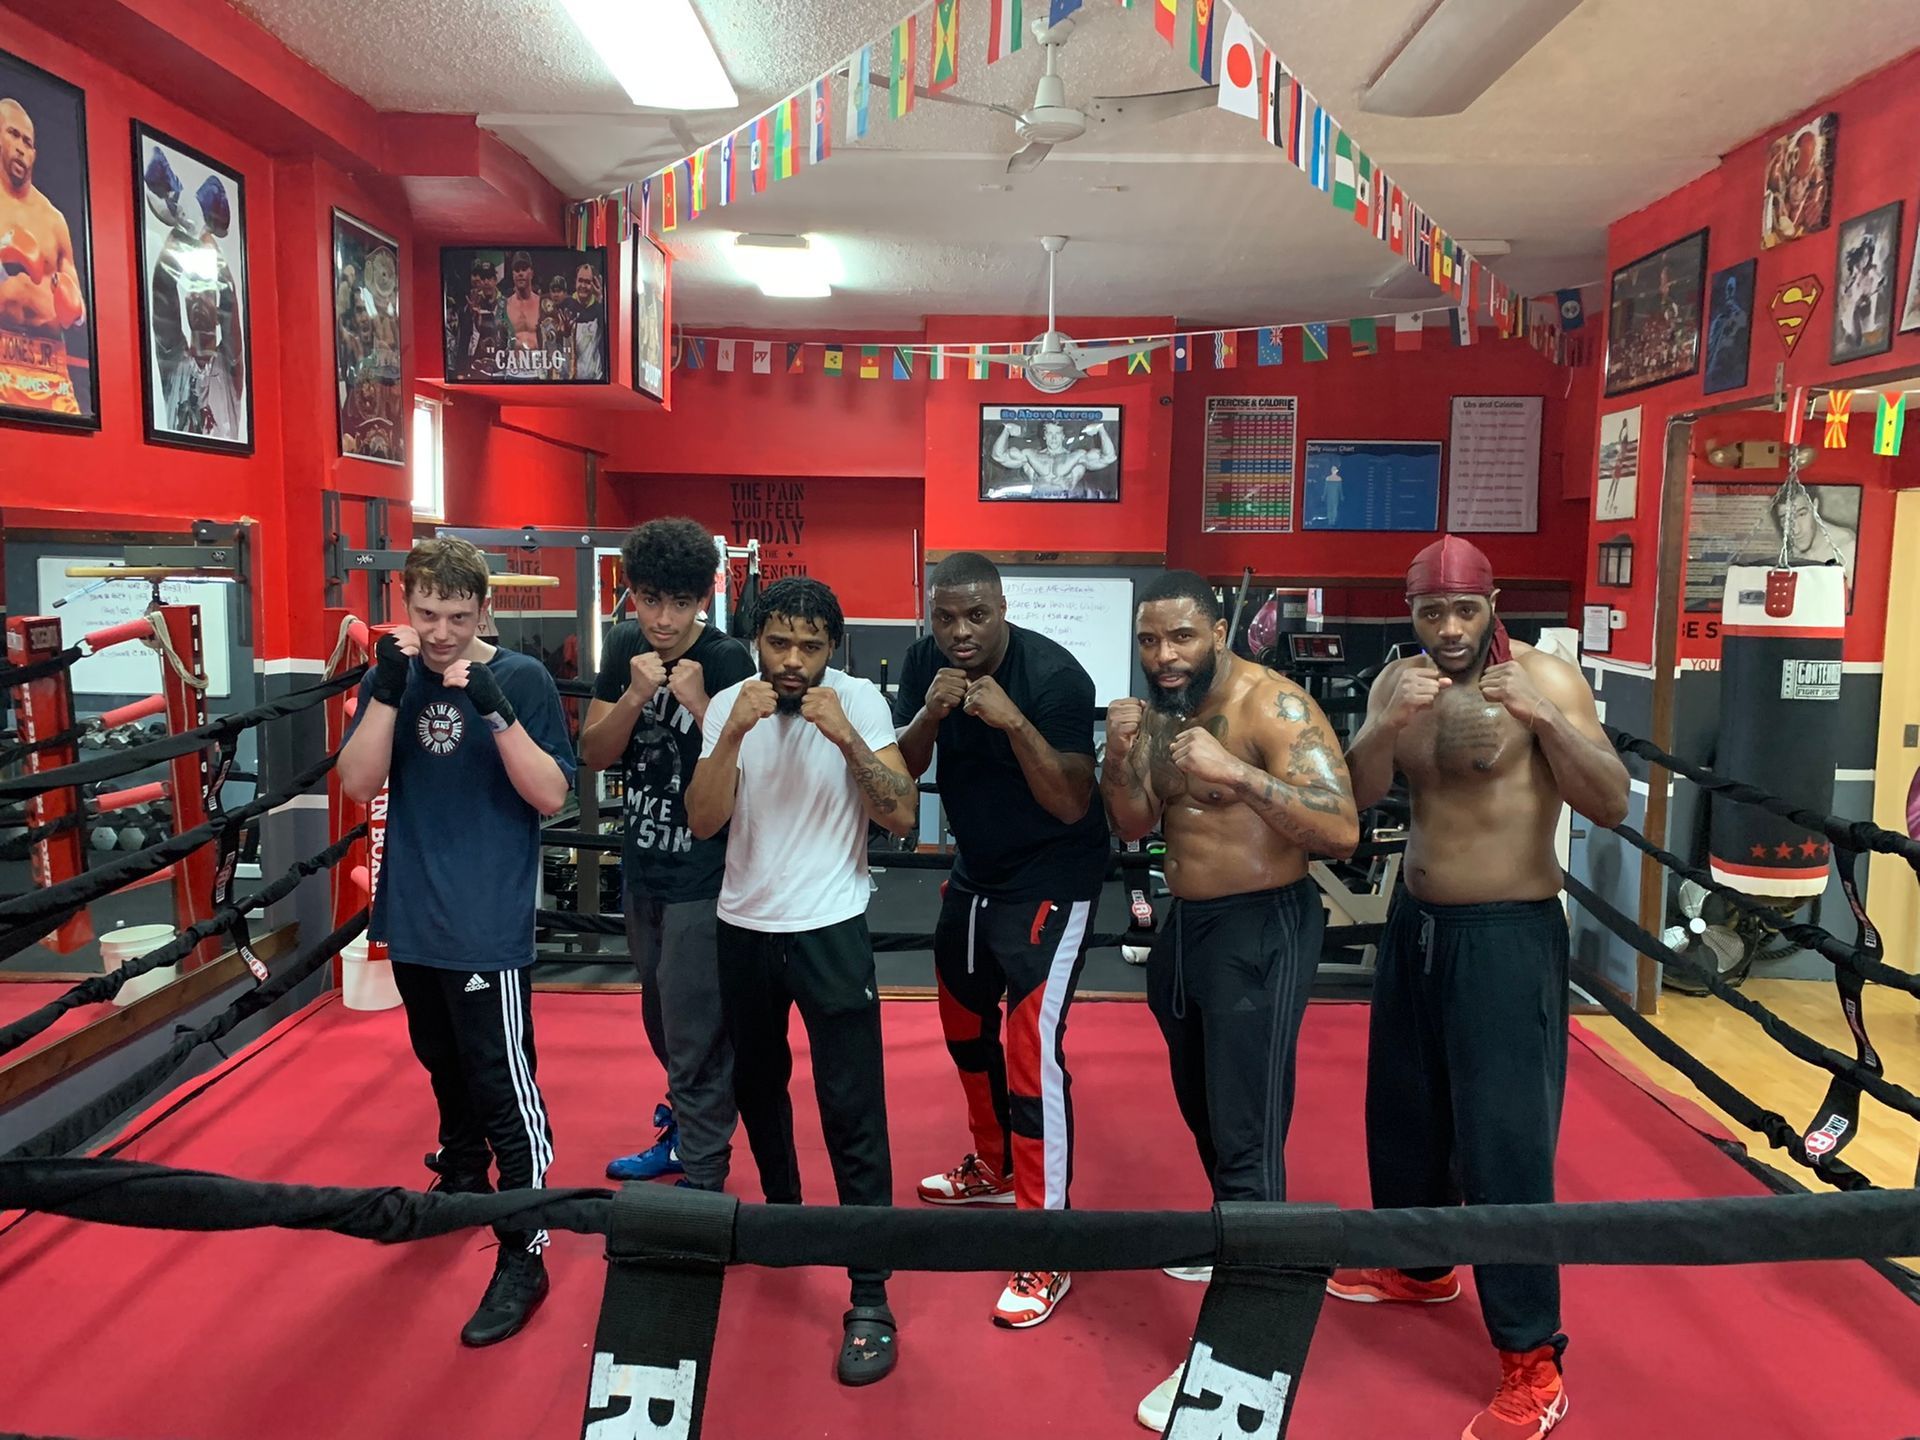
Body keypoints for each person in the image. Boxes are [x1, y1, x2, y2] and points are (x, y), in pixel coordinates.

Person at [1332, 535, 1628, 1440]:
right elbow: (1353, 801)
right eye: (1433, 613)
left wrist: (1546, 719)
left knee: (1506, 1146)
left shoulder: (1548, 679)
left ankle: (1532, 1363)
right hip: (1418, 928)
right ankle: (1421, 1265)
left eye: (1466, 610)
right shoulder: (1397, 682)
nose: (1451, 630)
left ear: (1493, 601)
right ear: (1411, 611)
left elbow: (1611, 799)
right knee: (1408, 1115)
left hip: (1507, 936)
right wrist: (1384, 726)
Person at [1100, 570, 1359, 1433]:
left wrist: (1239, 778)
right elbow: (1137, 823)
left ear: (1217, 631)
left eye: (1180, 638)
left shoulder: (1271, 708)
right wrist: (1117, 755)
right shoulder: (1154, 713)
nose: (1164, 658)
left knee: (1248, 1136)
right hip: (1188, 929)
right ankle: (1234, 1239)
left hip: (1263, 927)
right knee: (1206, 1111)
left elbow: (1341, 828)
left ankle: (1247, 1349)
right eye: (1149, 641)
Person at [337, 537, 576, 1348]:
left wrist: (494, 710)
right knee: (446, 1075)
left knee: (503, 1088)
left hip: (486, 926)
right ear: (408, 605)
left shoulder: (523, 679)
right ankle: (465, 1189)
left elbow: (549, 796)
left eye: (457, 616)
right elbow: (357, 783)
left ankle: (526, 1245)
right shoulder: (392, 674)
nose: (440, 632)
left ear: (485, 610)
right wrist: (386, 696)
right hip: (414, 918)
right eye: (427, 613)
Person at [686, 576, 915, 1386]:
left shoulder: (860, 702)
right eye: (778, 643)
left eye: (810, 647)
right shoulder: (730, 706)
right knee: (758, 1085)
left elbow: (904, 816)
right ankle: (785, 1220)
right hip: (745, 925)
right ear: (756, 641)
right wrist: (727, 737)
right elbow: (704, 820)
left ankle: (869, 1289)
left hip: (831, 929)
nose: (792, 662)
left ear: (833, 648)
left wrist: (848, 738)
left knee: (853, 1107)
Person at [893, 552, 1109, 1329]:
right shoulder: (926, 661)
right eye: (944, 617)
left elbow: (1069, 801)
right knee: (961, 1024)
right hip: (977, 871)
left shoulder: (1054, 677)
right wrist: (930, 714)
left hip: (1054, 877)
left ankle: (1047, 1247)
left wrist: (1012, 721)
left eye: (975, 617)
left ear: (1002, 609)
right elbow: (905, 768)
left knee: (1029, 1053)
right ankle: (990, 1161)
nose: (959, 632)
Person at [579, 518, 754, 1193]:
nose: (663, 618)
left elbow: (752, 767)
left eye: (679, 603)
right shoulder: (624, 645)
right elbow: (592, 756)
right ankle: (687, 1129)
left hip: (706, 874)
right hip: (642, 867)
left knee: (696, 1029)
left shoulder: (729, 658)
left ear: (701, 599)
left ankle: (705, 1179)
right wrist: (632, 694)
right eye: (650, 600)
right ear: (632, 596)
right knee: (660, 1017)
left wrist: (700, 701)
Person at [0, 97, 88, 417]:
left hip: (52, 371)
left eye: (28, 141)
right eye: (12, 134)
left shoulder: (54, 220)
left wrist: (72, 306)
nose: (22, 147)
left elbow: (79, 315)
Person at [988, 419, 1117, 498]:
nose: (1053, 438)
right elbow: (999, 456)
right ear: (1044, 436)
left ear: (1063, 436)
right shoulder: (1030, 455)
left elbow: (1109, 458)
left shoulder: (1077, 457)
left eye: (1057, 434)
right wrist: (1006, 430)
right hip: (1035, 508)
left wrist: (1101, 430)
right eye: (1050, 433)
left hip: (1070, 507)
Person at [504, 250, 541, 358]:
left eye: (524, 269)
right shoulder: (505, 305)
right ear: (513, 274)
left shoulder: (542, 305)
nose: (520, 273)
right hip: (513, 368)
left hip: (537, 368)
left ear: (532, 273)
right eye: (517, 270)